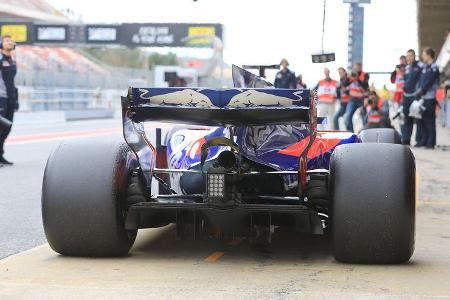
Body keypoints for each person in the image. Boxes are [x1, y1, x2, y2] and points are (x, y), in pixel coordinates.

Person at [415, 47, 440, 149]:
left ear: (429, 55)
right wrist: (418, 90)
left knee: (429, 121)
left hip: (430, 98)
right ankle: (423, 141)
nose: (422, 56)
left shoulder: (434, 67)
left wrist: (422, 91)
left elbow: (429, 81)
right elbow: (421, 81)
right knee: (422, 120)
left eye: (424, 54)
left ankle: (431, 143)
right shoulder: (425, 67)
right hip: (423, 98)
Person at [0, 35, 18, 165]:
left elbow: (13, 80)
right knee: (1, 126)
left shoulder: (13, 59)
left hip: (10, 97)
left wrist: (15, 99)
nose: (10, 42)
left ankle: (0, 154)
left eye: (11, 40)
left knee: (7, 127)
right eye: (6, 40)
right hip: (1, 96)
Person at [400, 49, 422, 145]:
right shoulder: (407, 68)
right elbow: (405, 81)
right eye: (407, 56)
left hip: (415, 96)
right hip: (406, 97)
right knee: (406, 118)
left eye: (411, 56)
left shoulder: (419, 66)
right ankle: (406, 139)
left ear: (414, 56)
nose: (409, 58)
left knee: (417, 119)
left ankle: (419, 140)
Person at [344, 62, 369, 132]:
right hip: (353, 99)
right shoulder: (351, 75)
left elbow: (365, 86)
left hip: (362, 100)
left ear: (360, 67)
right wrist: (348, 77)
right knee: (347, 117)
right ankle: (351, 133)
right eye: (355, 67)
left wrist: (357, 79)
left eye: (357, 67)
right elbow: (345, 84)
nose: (356, 69)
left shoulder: (365, 75)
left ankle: (366, 132)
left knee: (364, 118)